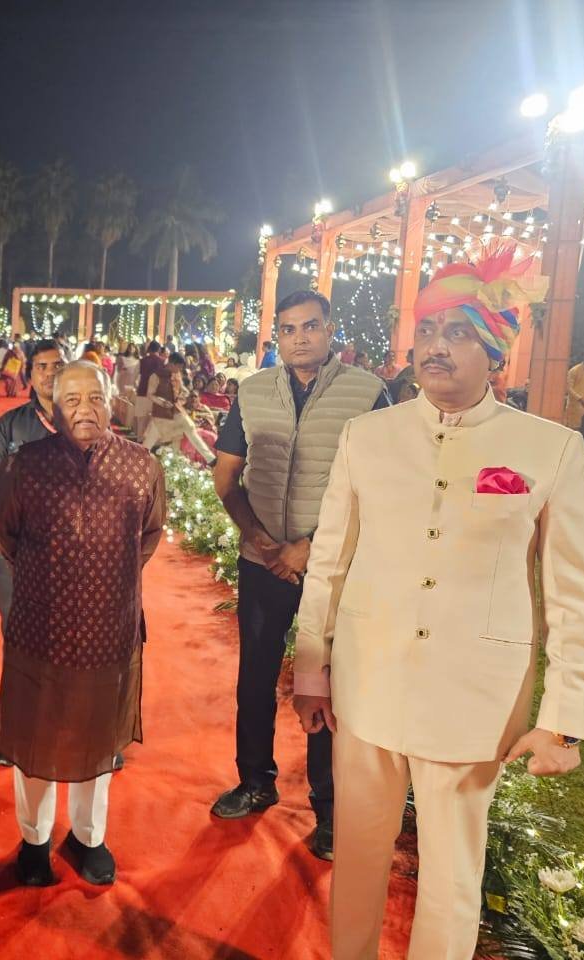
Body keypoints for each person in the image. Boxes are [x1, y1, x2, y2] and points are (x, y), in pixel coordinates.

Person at [293, 242, 584, 959]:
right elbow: (329, 562)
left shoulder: (549, 449)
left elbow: (576, 594)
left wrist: (564, 720)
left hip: (476, 697)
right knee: (358, 857)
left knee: (454, 878)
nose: (436, 347)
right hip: (368, 683)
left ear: (494, 350)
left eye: (458, 332)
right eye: (428, 330)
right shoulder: (367, 436)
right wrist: (312, 668)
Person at [210, 289, 389, 861]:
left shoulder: (369, 392)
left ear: (330, 330)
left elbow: (382, 485)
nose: (299, 338)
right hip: (262, 560)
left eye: (310, 326)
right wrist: (261, 541)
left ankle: (329, 808)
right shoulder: (252, 391)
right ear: (277, 337)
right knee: (255, 676)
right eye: (287, 329)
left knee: (327, 681)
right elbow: (226, 477)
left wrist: (310, 549)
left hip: (333, 567)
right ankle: (254, 781)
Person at [0, 361, 165, 887]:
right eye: (71, 399)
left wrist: (107, 575)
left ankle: (89, 838)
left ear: (112, 400)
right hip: (39, 628)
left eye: (95, 397)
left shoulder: (141, 466)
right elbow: (5, 533)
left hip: (110, 629)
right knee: (34, 737)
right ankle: (34, 839)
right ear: (53, 406)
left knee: (98, 735)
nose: (84, 409)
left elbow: (149, 534)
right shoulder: (25, 465)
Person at [0, 340, 64, 636]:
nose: (50, 373)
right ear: (30, 373)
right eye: (42, 367)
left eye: (58, 366)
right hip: (15, 544)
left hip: (67, 546)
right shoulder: (11, 423)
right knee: (16, 625)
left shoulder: (83, 423)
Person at [141, 352, 216, 463]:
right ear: (172, 363)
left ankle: (210, 458)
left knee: (189, 428)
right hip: (161, 414)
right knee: (150, 440)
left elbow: (183, 389)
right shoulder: (156, 376)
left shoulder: (177, 375)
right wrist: (162, 402)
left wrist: (183, 395)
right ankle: (139, 458)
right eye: (179, 367)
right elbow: (150, 394)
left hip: (176, 410)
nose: (180, 369)